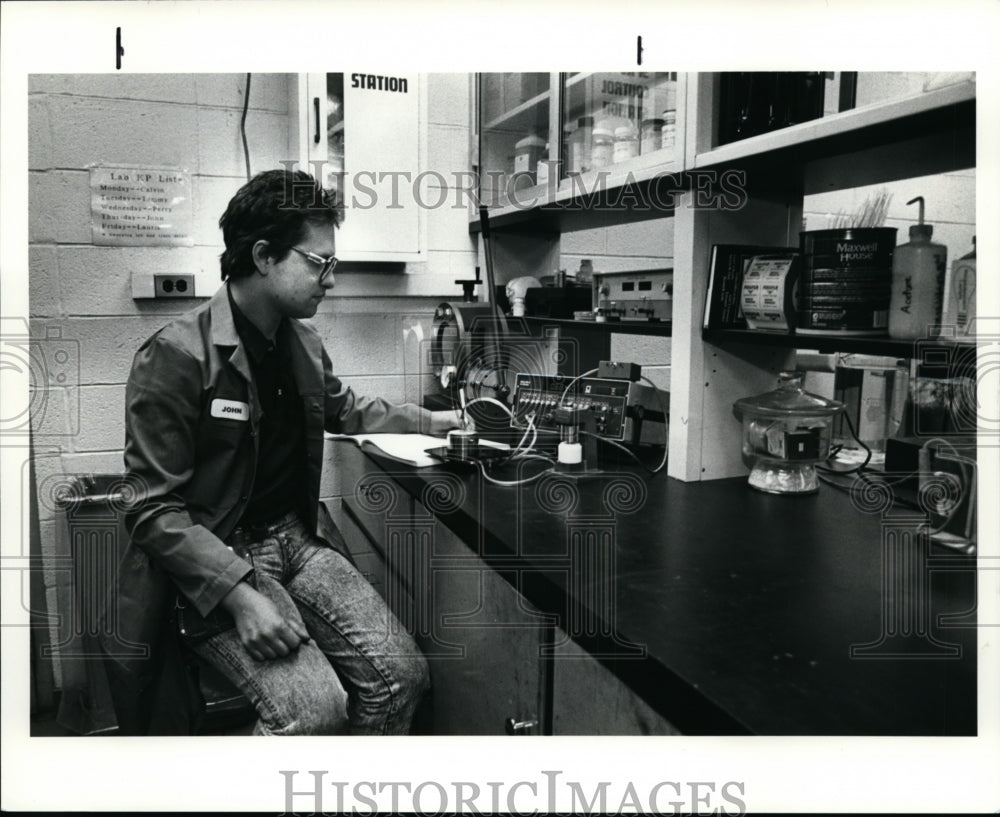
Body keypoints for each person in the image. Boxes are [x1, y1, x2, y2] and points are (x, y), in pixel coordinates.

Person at [111, 168, 462, 735]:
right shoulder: (176, 355)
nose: (330, 279)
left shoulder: (301, 341)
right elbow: (151, 509)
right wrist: (240, 596)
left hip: (295, 538)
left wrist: (438, 421)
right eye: (319, 263)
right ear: (264, 256)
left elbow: (347, 410)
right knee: (313, 711)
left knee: (404, 679)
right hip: (219, 556)